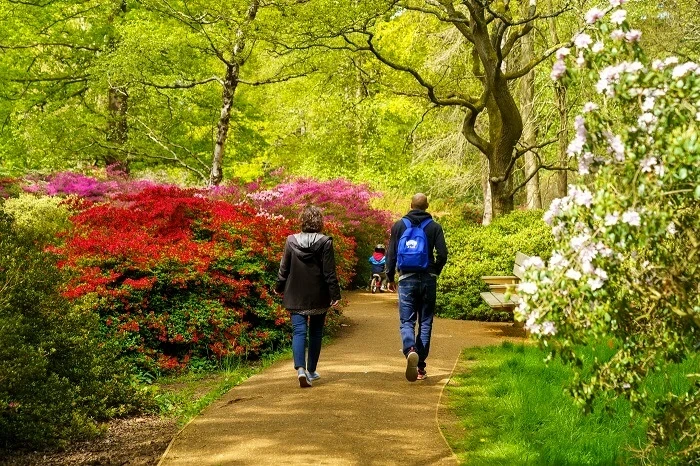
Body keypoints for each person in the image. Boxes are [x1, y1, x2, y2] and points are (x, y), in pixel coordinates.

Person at [275, 205, 341, 388]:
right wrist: (335, 294)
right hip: (318, 295)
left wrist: (278, 287)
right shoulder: (326, 242)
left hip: (295, 294)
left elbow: (284, 268)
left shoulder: (290, 240)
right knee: (316, 332)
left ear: (302, 220)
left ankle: (300, 370)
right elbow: (329, 272)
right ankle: (311, 371)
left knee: (299, 331)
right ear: (319, 221)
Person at [386, 193, 448, 382]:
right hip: (428, 279)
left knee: (407, 322)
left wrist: (390, 277)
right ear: (427, 206)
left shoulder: (399, 225)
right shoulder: (434, 227)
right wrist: (434, 270)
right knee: (426, 322)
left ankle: (410, 349)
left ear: (411, 205)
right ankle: (420, 367)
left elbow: (391, 254)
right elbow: (443, 254)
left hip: (406, 279)